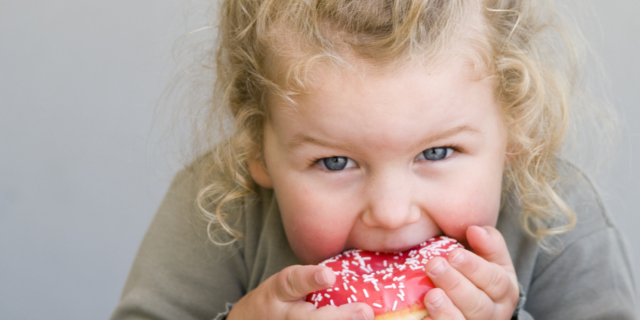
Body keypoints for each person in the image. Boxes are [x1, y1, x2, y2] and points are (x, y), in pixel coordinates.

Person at [111, 0, 639, 319]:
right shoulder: (221, 209)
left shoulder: (553, 218)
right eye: (336, 163)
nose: (390, 213)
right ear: (256, 147)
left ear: (515, 129)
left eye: (436, 152)